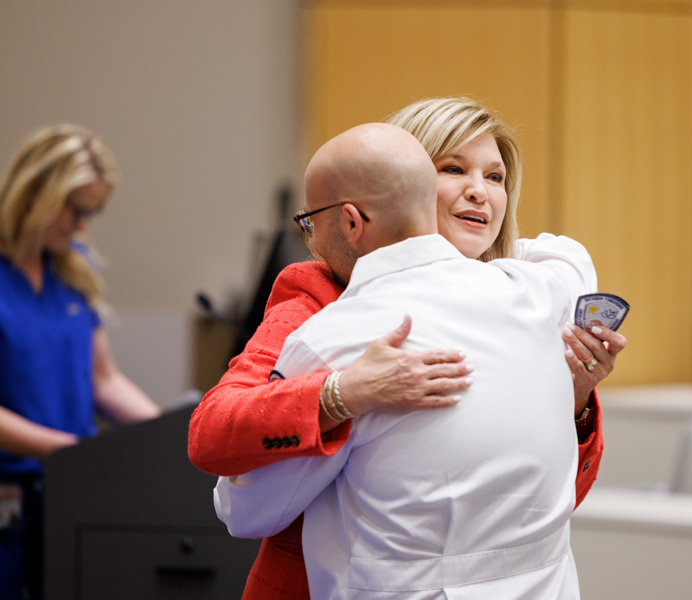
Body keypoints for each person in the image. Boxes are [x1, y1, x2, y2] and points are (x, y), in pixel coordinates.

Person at [188, 97, 625, 599]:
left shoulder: (525, 297)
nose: (479, 193)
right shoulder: (323, 299)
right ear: (405, 178)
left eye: (495, 177)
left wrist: (570, 393)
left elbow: (545, 503)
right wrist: (340, 393)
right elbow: (225, 446)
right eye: (454, 169)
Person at [0, 124, 162, 600]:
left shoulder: (73, 266)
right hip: (10, 500)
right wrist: (70, 451)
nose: (82, 226)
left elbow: (103, 378)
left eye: (92, 212)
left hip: (69, 492)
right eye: (76, 210)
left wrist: (171, 435)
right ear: (35, 193)